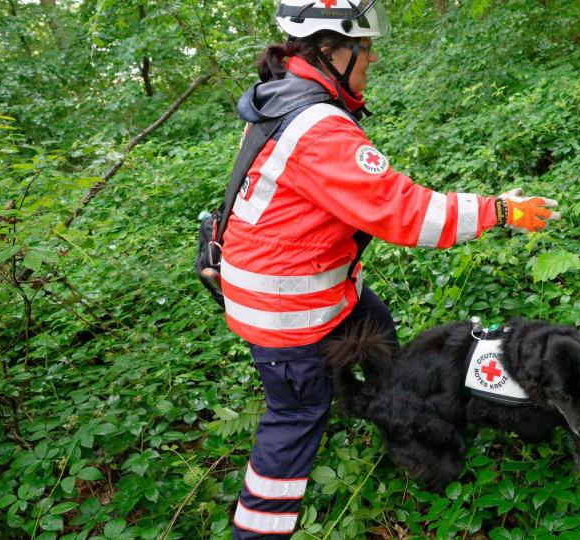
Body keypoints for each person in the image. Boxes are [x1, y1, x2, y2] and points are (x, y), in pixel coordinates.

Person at [222, 1, 560, 537]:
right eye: (366, 48)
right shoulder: (317, 127)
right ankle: (257, 529)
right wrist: (498, 210)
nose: (372, 59)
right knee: (295, 419)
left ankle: (398, 415)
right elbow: (408, 215)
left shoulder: (285, 94)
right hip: (286, 312)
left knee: (378, 329)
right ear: (333, 51)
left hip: (320, 285)